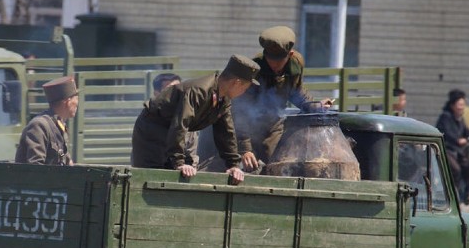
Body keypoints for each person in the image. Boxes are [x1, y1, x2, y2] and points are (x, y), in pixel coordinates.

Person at [131, 55, 259, 184]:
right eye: (245, 88)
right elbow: (180, 124)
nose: (244, 92)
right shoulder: (198, 91)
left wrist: (233, 166)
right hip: (153, 130)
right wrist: (179, 163)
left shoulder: (223, 98)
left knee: (180, 178)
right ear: (236, 83)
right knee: (151, 178)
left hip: (174, 133)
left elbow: (226, 132)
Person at [233, 26, 333, 171]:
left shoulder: (296, 63)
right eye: (271, 64)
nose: (275, 69)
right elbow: (241, 111)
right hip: (247, 127)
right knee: (246, 167)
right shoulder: (253, 69)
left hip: (274, 124)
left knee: (277, 163)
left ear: (290, 54)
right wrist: (245, 149)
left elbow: (295, 91)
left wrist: (314, 105)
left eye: (279, 66)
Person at [14, 76, 80, 165]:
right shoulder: (39, 126)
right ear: (68, 102)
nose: (77, 104)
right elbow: (35, 167)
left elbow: (66, 162)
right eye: (76, 98)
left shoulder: (59, 125)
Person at [435, 88, 469, 203]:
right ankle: (452, 195)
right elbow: (447, 133)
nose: (462, 107)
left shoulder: (459, 119)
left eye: (463, 104)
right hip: (445, 150)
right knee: (456, 170)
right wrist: (458, 140)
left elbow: (466, 131)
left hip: (457, 151)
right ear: (452, 105)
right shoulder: (445, 117)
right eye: (459, 104)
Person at [152, 73, 199, 167]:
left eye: (179, 89)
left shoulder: (187, 121)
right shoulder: (149, 120)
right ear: (156, 93)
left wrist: (189, 167)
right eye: (170, 90)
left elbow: (192, 156)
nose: (176, 94)